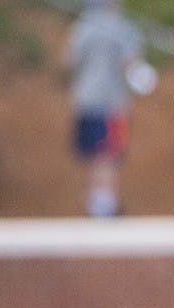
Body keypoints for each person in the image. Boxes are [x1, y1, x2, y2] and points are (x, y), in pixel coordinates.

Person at [65, 0, 144, 217]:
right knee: (107, 154)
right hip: (111, 103)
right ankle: (104, 206)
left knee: (93, 155)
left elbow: (71, 63)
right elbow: (131, 65)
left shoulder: (81, 27)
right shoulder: (123, 28)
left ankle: (95, 204)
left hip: (84, 100)